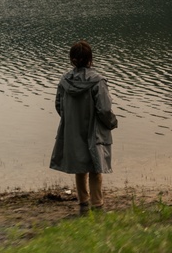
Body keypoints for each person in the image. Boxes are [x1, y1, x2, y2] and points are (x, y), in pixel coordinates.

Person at [50, 40, 118, 214]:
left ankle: (83, 202)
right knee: (95, 167)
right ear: (90, 59)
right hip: (93, 130)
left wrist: (70, 121)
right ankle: (97, 204)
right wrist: (112, 123)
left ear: (72, 60)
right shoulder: (98, 81)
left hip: (73, 129)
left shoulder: (64, 80)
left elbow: (58, 105)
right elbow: (104, 109)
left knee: (80, 165)